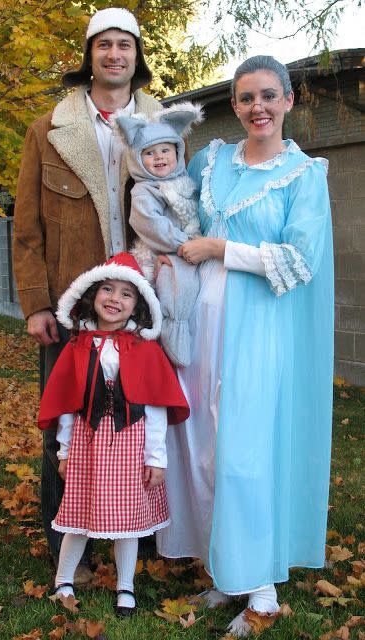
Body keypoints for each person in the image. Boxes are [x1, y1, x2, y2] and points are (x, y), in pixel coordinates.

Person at [157, 55, 334, 637]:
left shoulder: (304, 175)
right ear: (232, 106)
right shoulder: (212, 161)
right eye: (244, 98)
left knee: (246, 453)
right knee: (204, 445)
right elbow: (169, 195)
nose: (256, 106)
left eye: (267, 96)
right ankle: (225, 567)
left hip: (257, 331)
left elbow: (300, 259)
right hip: (200, 326)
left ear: (288, 100)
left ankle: (261, 590)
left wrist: (220, 250)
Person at [12, 7, 163, 578]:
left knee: (137, 417)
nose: (115, 55)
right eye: (104, 45)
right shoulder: (47, 128)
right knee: (67, 420)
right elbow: (26, 228)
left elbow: (178, 211)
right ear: (90, 55)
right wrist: (35, 304)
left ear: (137, 56)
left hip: (143, 300)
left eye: (125, 45)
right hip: (72, 307)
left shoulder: (163, 124)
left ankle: (141, 537)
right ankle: (64, 538)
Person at [38, 252, 189, 615]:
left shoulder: (145, 350)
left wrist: (156, 458)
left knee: (127, 522)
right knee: (78, 514)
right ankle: (63, 580)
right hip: (87, 445)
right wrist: (63, 452)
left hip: (130, 445)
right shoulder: (78, 347)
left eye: (126, 294)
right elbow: (70, 407)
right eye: (108, 289)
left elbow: (154, 407)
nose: (115, 299)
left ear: (138, 304)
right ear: (92, 294)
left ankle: (126, 587)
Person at [112, 102, 203, 366]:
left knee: (193, 289)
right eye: (149, 153)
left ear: (178, 150)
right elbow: (152, 225)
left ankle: (185, 332)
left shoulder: (184, 182)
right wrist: (186, 244)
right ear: (137, 159)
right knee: (176, 287)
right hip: (162, 251)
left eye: (166, 150)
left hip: (188, 249)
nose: (159, 157)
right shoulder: (144, 191)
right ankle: (172, 331)